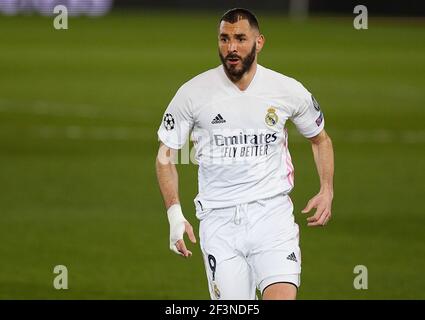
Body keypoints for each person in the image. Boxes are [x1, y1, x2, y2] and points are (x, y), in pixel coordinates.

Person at [155, 8, 334, 300]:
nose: (231, 47)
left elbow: (321, 139)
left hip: (272, 217)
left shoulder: (287, 90)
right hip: (219, 221)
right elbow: (166, 156)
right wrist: (175, 215)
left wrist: (326, 188)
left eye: (240, 38)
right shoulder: (192, 94)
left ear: (259, 42)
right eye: (224, 39)